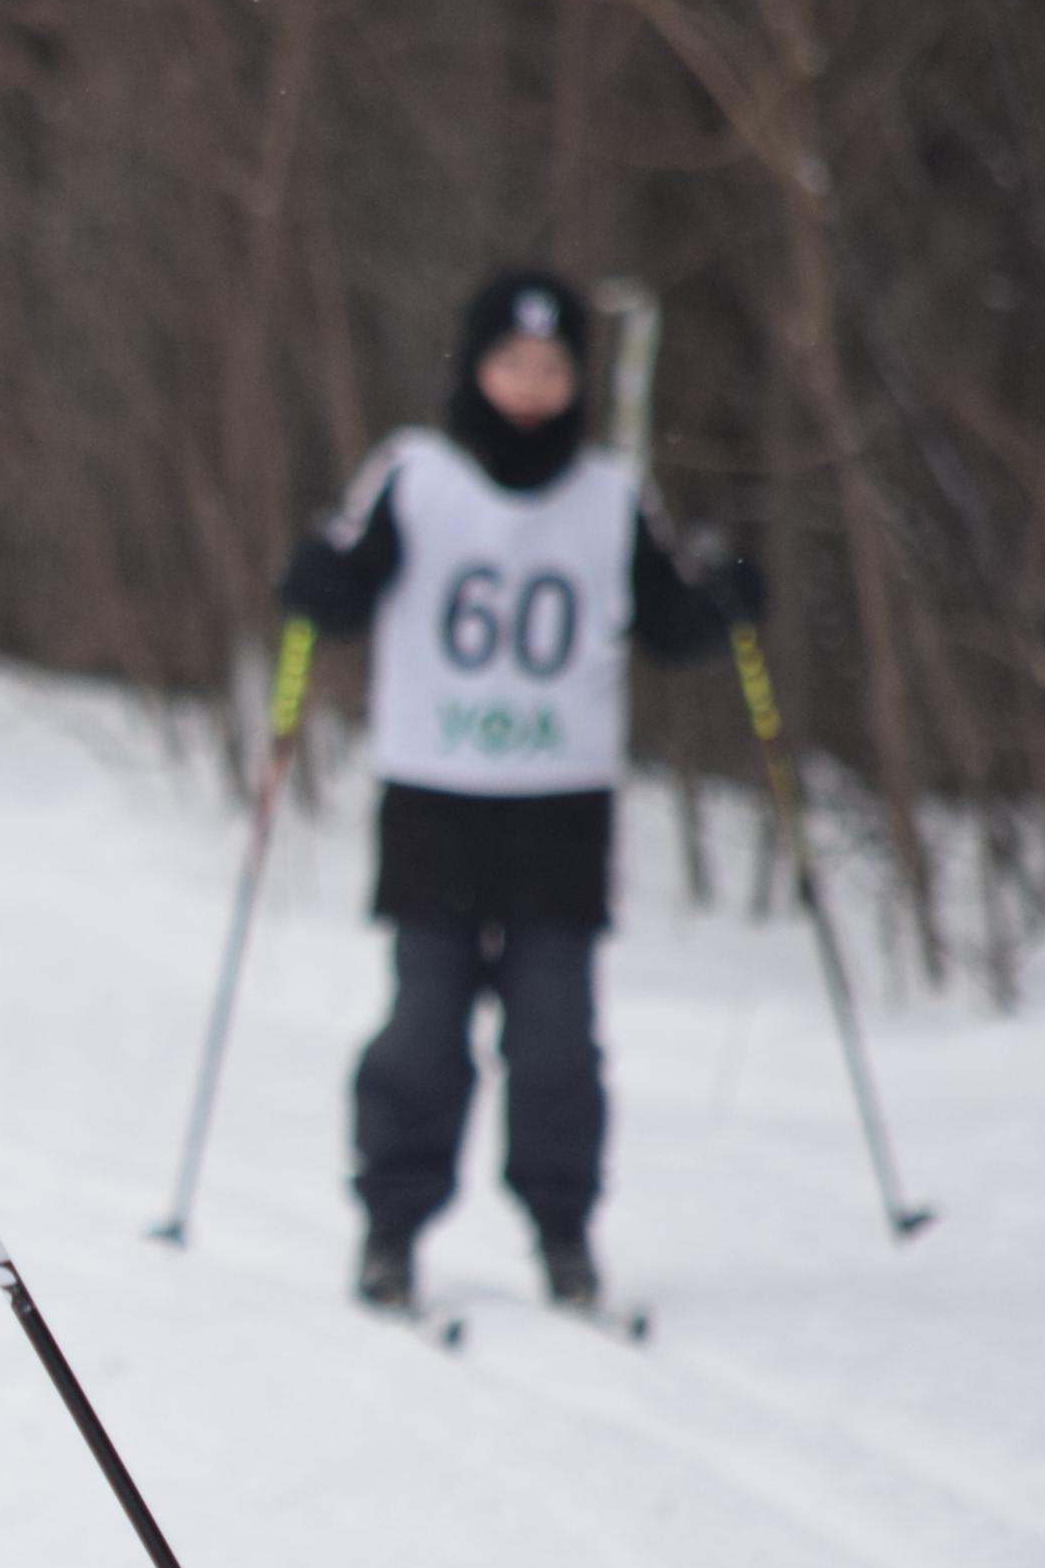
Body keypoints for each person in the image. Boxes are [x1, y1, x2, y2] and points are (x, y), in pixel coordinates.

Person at [276, 269, 760, 1317]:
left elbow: (668, 621)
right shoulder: (415, 475)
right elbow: (343, 588)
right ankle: (391, 1226)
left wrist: (727, 603)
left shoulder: (609, 492)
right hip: (435, 798)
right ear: (476, 367)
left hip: (558, 809)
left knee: (553, 1038)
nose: (531, 387)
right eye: (511, 364)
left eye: (551, 367)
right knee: (423, 1025)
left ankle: (562, 1229)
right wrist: (314, 580)